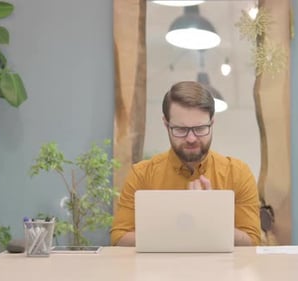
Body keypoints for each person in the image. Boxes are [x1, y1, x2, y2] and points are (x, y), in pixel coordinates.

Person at [110, 81, 261, 246]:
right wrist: (179, 231)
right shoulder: (142, 175)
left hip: (220, 271)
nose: (191, 138)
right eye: (181, 130)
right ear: (166, 124)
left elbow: (252, 242)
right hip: (159, 270)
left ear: (212, 123)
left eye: (200, 128)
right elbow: (118, 239)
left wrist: (213, 218)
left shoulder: (238, 174)